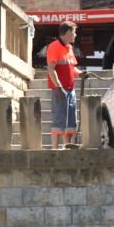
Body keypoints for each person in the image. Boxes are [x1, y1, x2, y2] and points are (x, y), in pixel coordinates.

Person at [46, 21, 82, 149]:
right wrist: (58, 87)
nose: (75, 35)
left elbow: (71, 68)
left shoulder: (69, 48)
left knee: (70, 120)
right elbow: (51, 69)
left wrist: (81, 74)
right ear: (67, 33)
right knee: (59, 119)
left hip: (70, 89)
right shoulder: (54, 47)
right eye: (73, 32)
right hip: (60, 89)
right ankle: (54, 149)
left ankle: (66, 146)